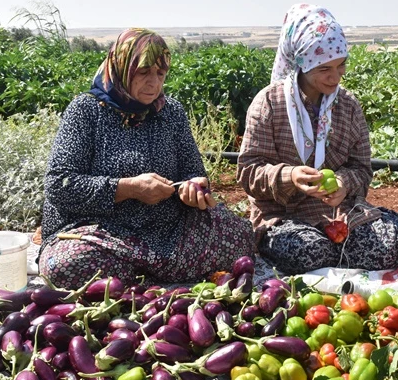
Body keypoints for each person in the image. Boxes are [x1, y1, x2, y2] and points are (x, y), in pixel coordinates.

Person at [39, 28, 254, 289]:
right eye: (143, 72)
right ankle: (157, 273)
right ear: (121, 68)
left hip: (165, 228)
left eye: (160, 73)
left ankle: (133, 278)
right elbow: (59, 185)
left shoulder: (171, 112)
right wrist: (129, 189)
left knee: (239, 236)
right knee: (67, 265)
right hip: (99, 231)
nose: (154, 83)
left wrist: (192, 189)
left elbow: (193, 171)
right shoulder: (85, 111)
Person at [237, 4, 398, 274]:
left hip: (341, 213)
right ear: (303, 62)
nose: (336, 77)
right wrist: (289, 177)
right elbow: (248, 171)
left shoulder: (347, 105)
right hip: (283, 216)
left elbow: (361, 167)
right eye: (325, 68)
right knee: (310, 253)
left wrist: (342, 184)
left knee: (382, 251)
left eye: (341, 66)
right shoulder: (269, 103)